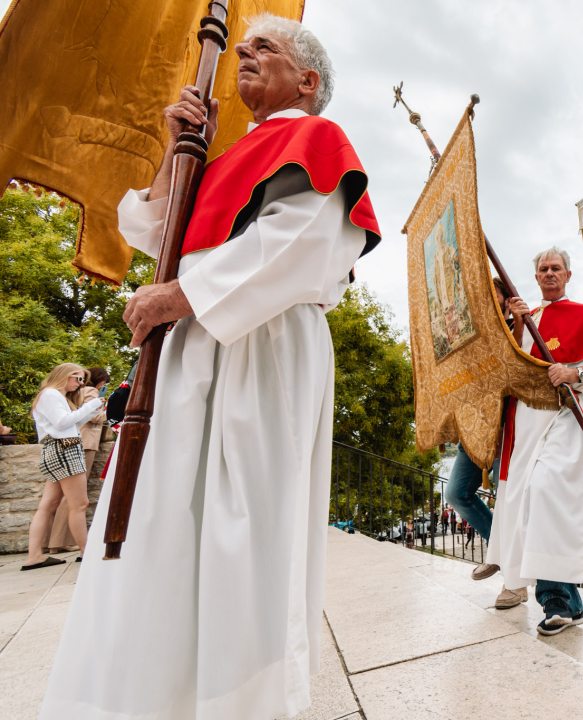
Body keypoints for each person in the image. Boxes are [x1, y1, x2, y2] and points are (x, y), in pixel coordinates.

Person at [39, 16, 381, 719]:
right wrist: (178, 148)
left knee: (243, 528)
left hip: (259, 345)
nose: (245, 55)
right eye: (243, 47)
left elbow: (305, 242)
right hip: (189, 347)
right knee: (164, 523)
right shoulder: (224, 158)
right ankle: (161, 693)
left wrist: (182, 294)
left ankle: (242, 700)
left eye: (266, 49)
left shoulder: (316, 138)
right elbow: (152, 233)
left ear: (307, 80)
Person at [487, 246, 583, 636]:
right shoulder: (528, 318)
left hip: (565, 417)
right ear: (535, 278)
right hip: (526, 423)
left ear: (567, 275)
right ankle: (567, 604)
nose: (549, 274)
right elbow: (511, 366)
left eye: (556, 269)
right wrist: (515, 323)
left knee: (546, 494)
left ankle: (557, 601)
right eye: (543, 269)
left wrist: (575, 373)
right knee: (528, 501)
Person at [448, 278, 517, 596]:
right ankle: (500, 551)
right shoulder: (470, 335)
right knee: (456, 494)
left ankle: (516, 580)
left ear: (505, 300)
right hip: (474, 430)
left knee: (508, 500)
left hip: (506, 430)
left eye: (496, 294)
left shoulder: (519, 329)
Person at [22, 364, 105, 570]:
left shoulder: (51, 395)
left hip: (57, 448)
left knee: (48, 505)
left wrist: (90, 410)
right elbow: (61, 423)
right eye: (78, 379)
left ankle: (34, 556)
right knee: (79, 504)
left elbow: (69, 424)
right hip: (64, 449)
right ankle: (86, 551)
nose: (80, 385)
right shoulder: (51, 394)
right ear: (65, 376)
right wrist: (89, 406)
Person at [46, 367, 110, 554]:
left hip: (64, 443)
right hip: (84, 443)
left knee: (54, 498)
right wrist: (113, 411)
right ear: (100, 382)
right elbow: (96, 417)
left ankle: (48, 541)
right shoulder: (91, 391)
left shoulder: (70, 393)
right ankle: (61, 541)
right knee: (72, 497)